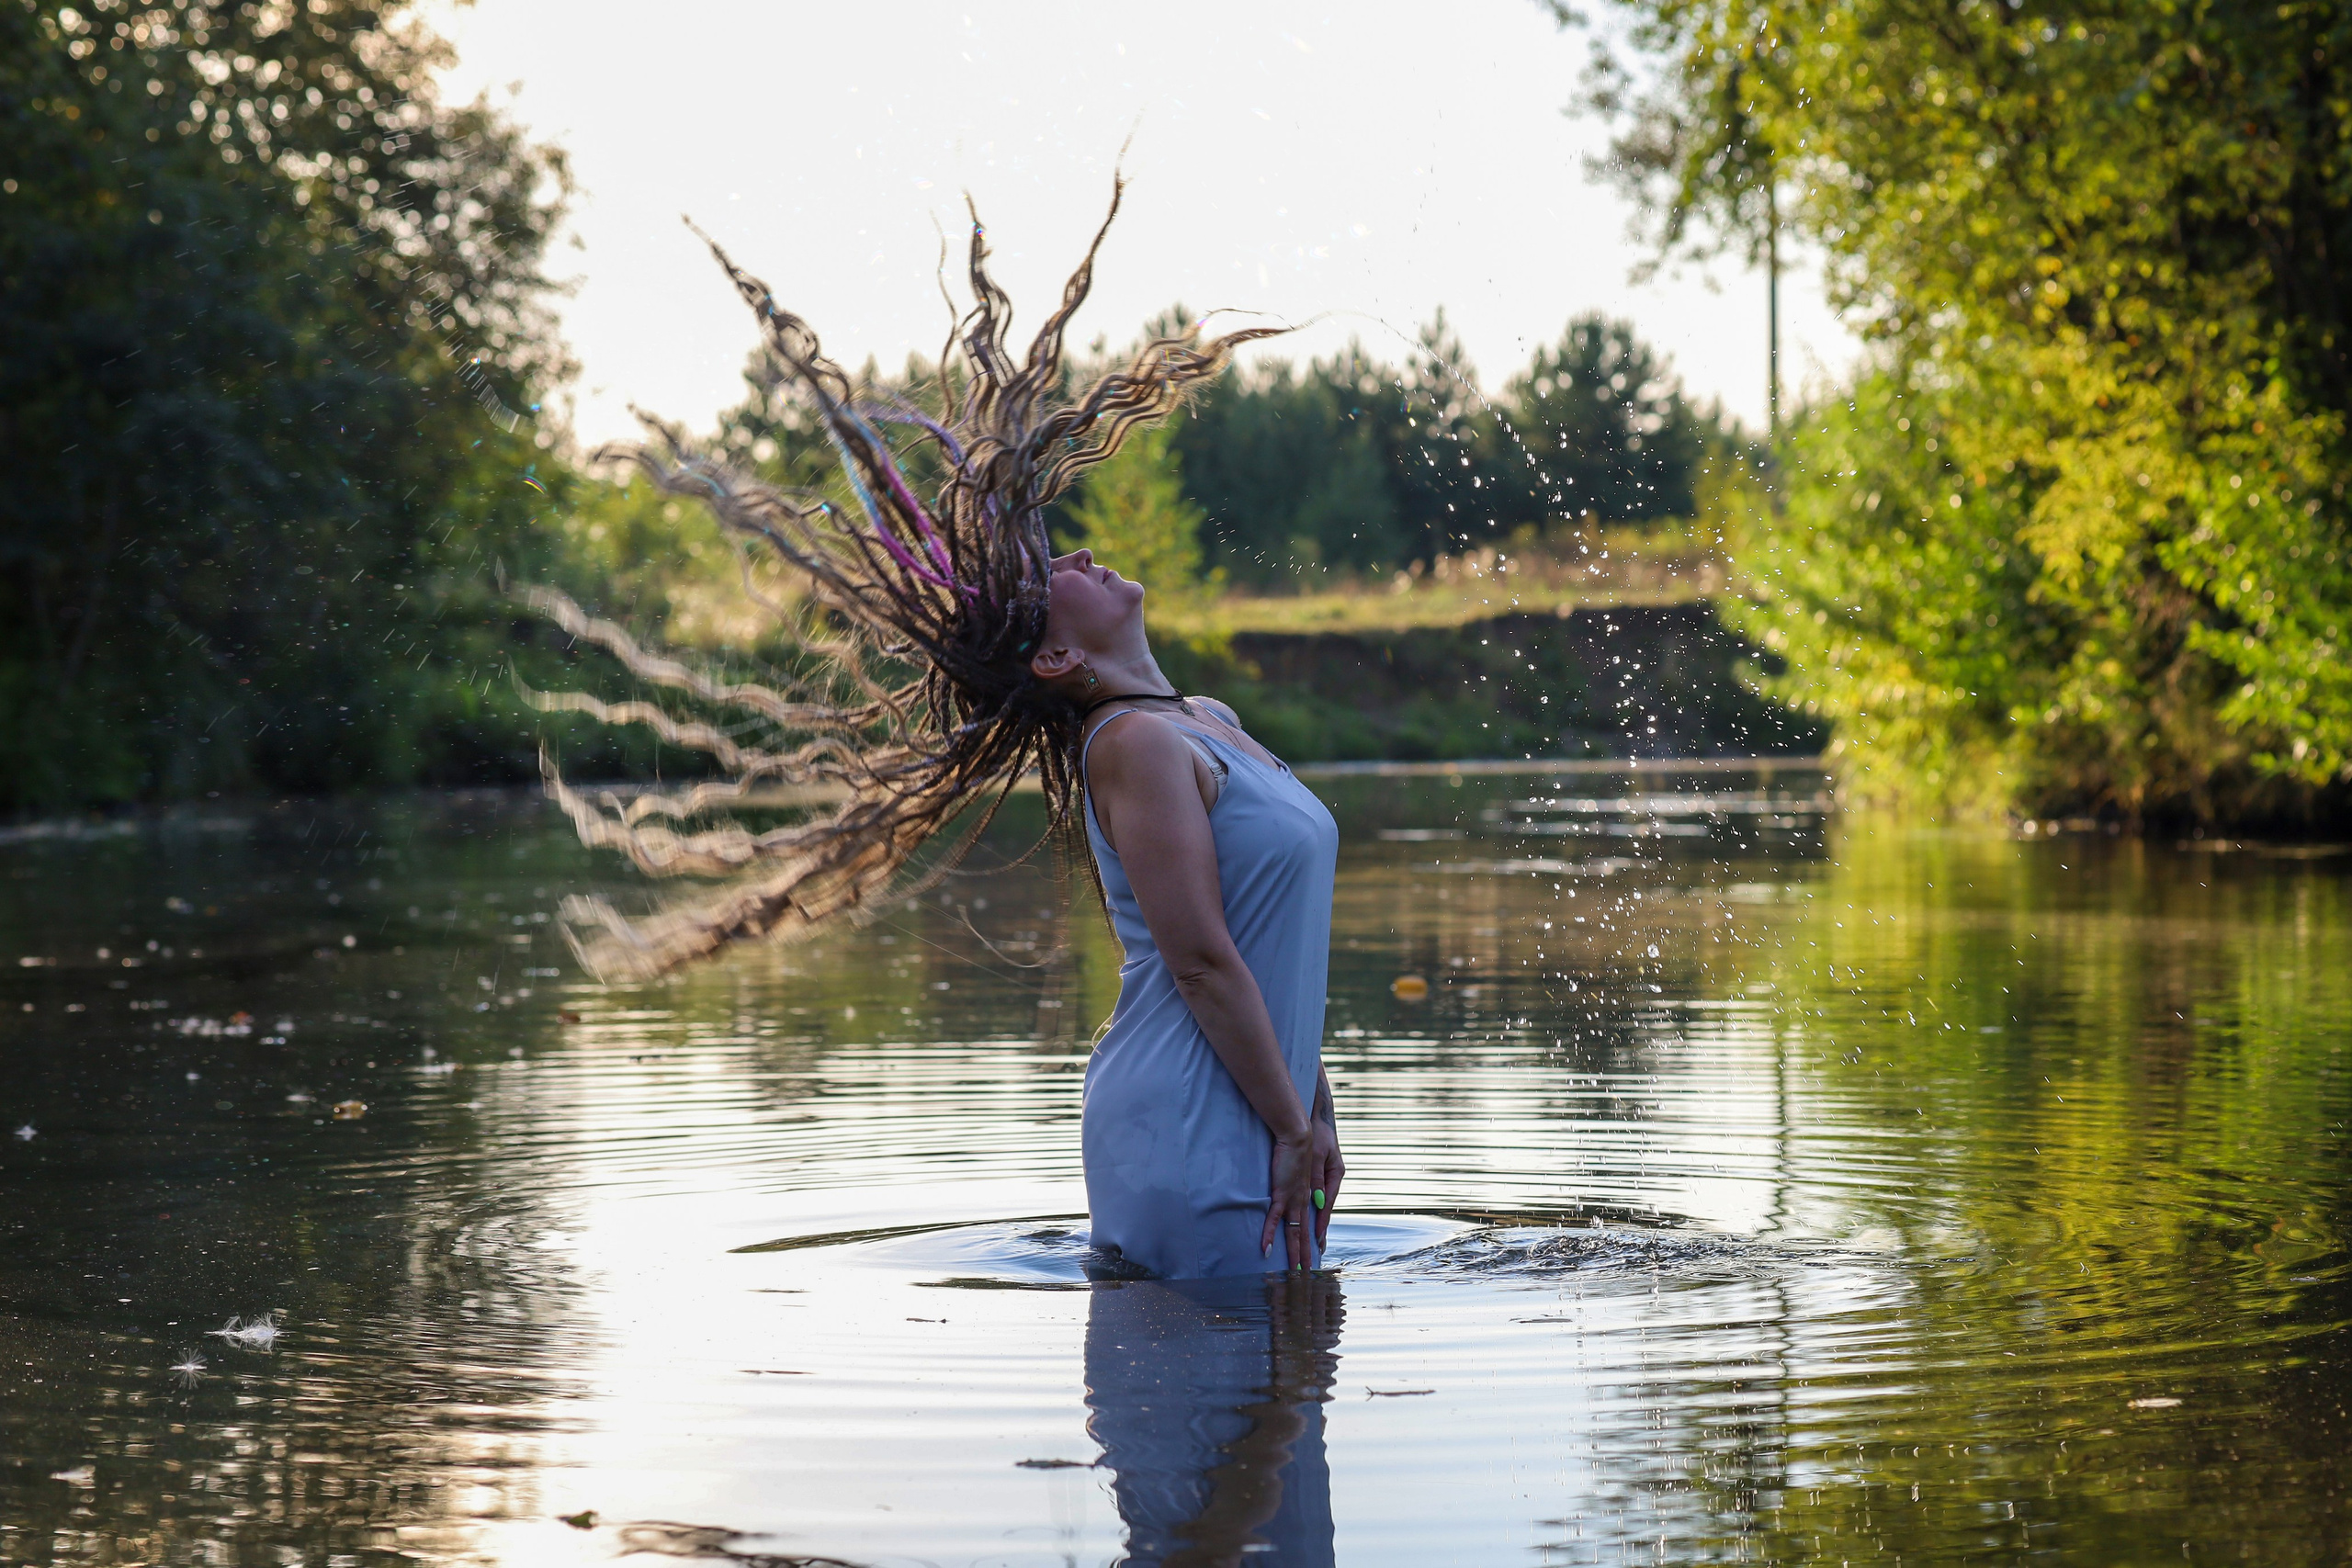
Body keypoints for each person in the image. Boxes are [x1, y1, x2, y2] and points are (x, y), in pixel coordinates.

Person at [528, 185, 1341, 1276]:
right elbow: (1199, 960)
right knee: (1222, 1412)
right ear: (1057, 659)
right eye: (1053, 577)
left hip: (1256, 1103)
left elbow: (1265, 945)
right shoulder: (1133, 747)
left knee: (1274, 1412)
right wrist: (1287, 1125)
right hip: (1198, 1122)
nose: (1076, 558)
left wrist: (1317, 1107)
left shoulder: (1205, 724)